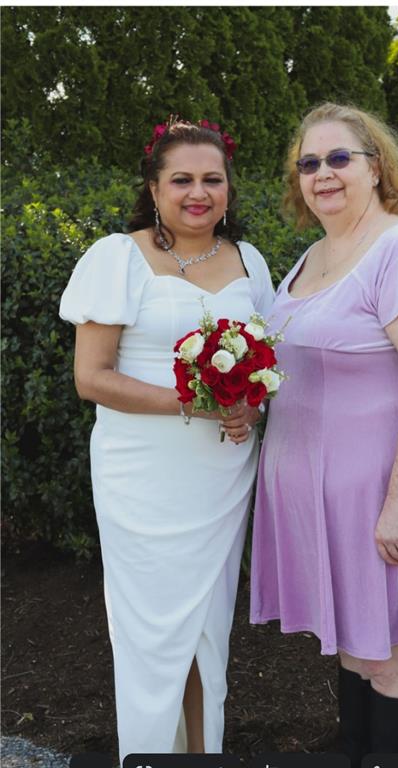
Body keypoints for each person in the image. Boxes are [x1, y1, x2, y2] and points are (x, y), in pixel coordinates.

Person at [250, 102, 398, 763]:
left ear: (376, 168)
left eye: (339, 158)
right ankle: (352, 750)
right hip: (322, 493)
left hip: (381, 489)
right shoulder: (313, 256)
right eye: (308, 163)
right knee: (354, 641)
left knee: (385, 653)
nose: (322, 173)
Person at [59, 118, 275, 763]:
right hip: (142, 476)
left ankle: (203, 753)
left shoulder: (250, 260)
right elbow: (91, 378)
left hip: (222, 473)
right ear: (154, 189)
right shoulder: (116, 258)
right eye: (181, 179)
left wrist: (249, 408)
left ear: (229, 188)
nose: (198, 193)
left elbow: (266, 368)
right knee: (152, 634)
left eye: (213, 179)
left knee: (209, 629)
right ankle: (152, 754)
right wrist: (198, 404)